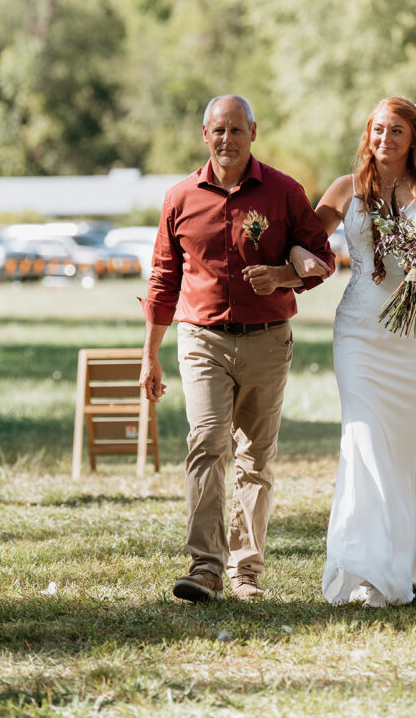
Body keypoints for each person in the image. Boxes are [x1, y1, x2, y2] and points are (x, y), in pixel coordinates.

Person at [139, 95, 335, 603]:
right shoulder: (180, 197)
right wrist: (150, 354)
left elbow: (322, 260)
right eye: (218, 130)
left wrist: (284, 276)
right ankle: (204, 568)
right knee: (206, 442)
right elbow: (163, 280)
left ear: (254, 132)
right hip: (201, 339)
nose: (227, 139)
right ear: (205, 134)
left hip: (267, 341)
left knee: (255, 457)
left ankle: (244, 571)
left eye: (236, 130)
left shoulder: (285, 192)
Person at [291, 97, 416, 607]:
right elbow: (305, 239)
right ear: (368, 134)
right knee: (364, 441)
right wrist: (290, 256)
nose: (385, 139)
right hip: (359, 331)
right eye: (378, 129)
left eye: (396, 131)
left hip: (413, 330)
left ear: (414, 138)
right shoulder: (347, 190)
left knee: (408, 444)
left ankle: (409, 558)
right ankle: (367, 566)